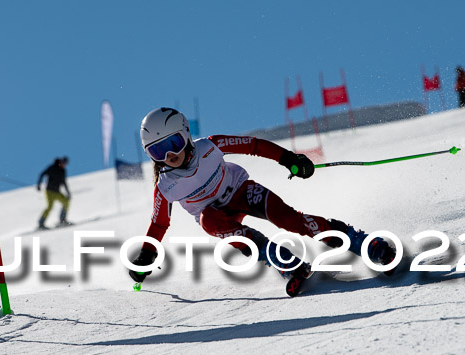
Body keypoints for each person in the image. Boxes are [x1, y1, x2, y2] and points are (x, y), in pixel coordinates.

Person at [128, 107, 397, 297]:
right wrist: (147, 255)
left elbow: (253, 145)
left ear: (186, 135)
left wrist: (290, 160)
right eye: (158, 151)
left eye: (174, 143)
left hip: (241, 192)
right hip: (218, 216)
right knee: (207, 220)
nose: (170, 155)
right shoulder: (165, 186)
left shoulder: (209, 146)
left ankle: (361, 242)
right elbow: (159, 224)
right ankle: (282, 261)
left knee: (290, 220)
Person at [37, 156, 72, 229]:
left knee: (66, 202)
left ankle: (62, 220)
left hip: (57, 192)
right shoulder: (53, 167)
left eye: (65, 163)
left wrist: (68, 192)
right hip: (49, 191)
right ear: (60, 162)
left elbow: (63, 182)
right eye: (63, 162)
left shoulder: (63, 171)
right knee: (49, 207)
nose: (64, 164)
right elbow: (42, 174)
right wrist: (39, 184)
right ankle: (41, 223)